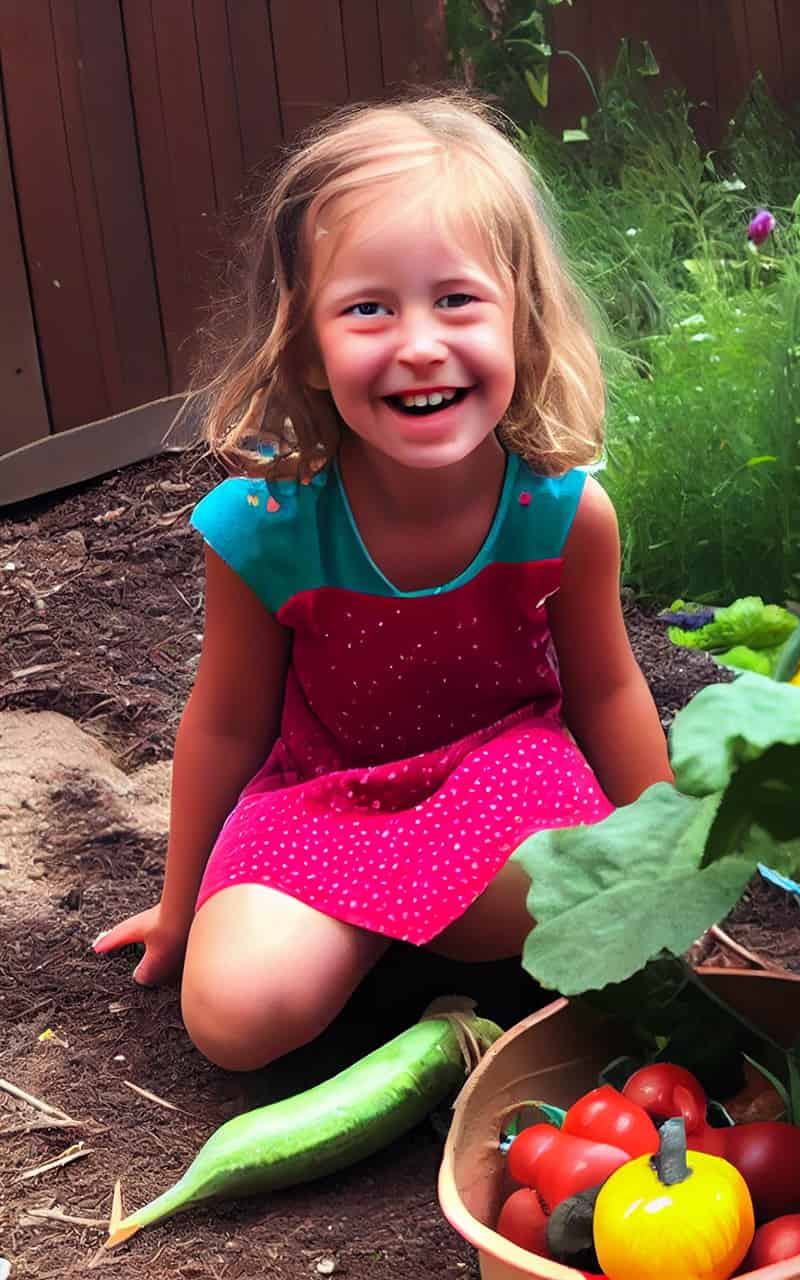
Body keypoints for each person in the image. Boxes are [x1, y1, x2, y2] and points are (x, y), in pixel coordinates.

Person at [93, 92, 673, 1072]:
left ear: (522, 326)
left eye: (456, 299)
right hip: (326, 798)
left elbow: (608, 687)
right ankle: (388, 938)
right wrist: (181, 902)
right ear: (308, 346)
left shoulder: (562, 513)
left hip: (503, 774)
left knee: (572, 886)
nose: (417, 343)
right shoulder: (259, 531)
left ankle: (401, 942)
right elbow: (227, 721)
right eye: (368, 308)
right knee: (232, 1019)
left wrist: (665, 868)